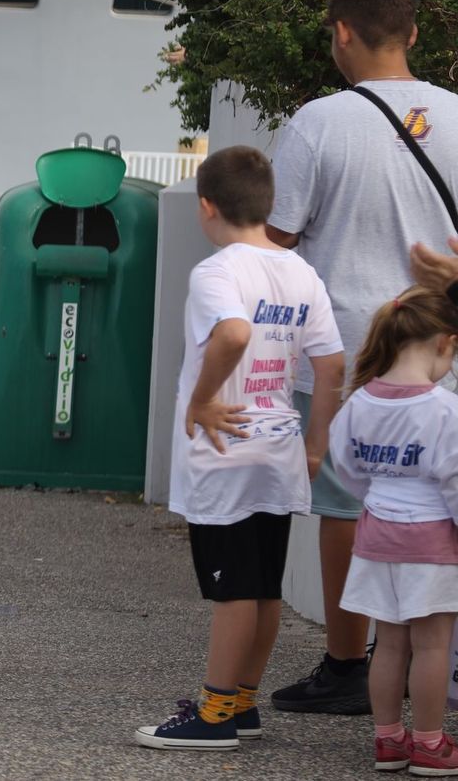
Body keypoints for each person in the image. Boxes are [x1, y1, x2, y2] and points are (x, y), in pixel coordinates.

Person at [267, 0, 458, 714]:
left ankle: (349, 666)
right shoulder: (457, 114)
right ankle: (436, 657)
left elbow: (275, 241)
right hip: (443, 350)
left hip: (348, 354)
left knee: (347, 505)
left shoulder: (318, 122)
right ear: (412, 33)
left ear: (342, 31)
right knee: (442, 496)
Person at [135, 145, 345, 752]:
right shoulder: (300, 270)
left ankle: (213, 714)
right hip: (278, 446)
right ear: (267, 205)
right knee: (263, 586)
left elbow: (232, 332)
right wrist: (315, 443)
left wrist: (202, 400)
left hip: (225, 454)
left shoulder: (218, 271)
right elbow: (330, 364)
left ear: (206, 207)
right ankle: (243, 704)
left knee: (232, 591)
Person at [330, 287, 458, 774]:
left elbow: (348, 470)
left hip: (376, 537)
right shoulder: (445, 410)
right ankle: (430, 745)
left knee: (388, 644)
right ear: (445, 343)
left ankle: (389, 741)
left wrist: (379, 499)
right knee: (431, 647)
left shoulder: (359, 402)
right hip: (431, 542)